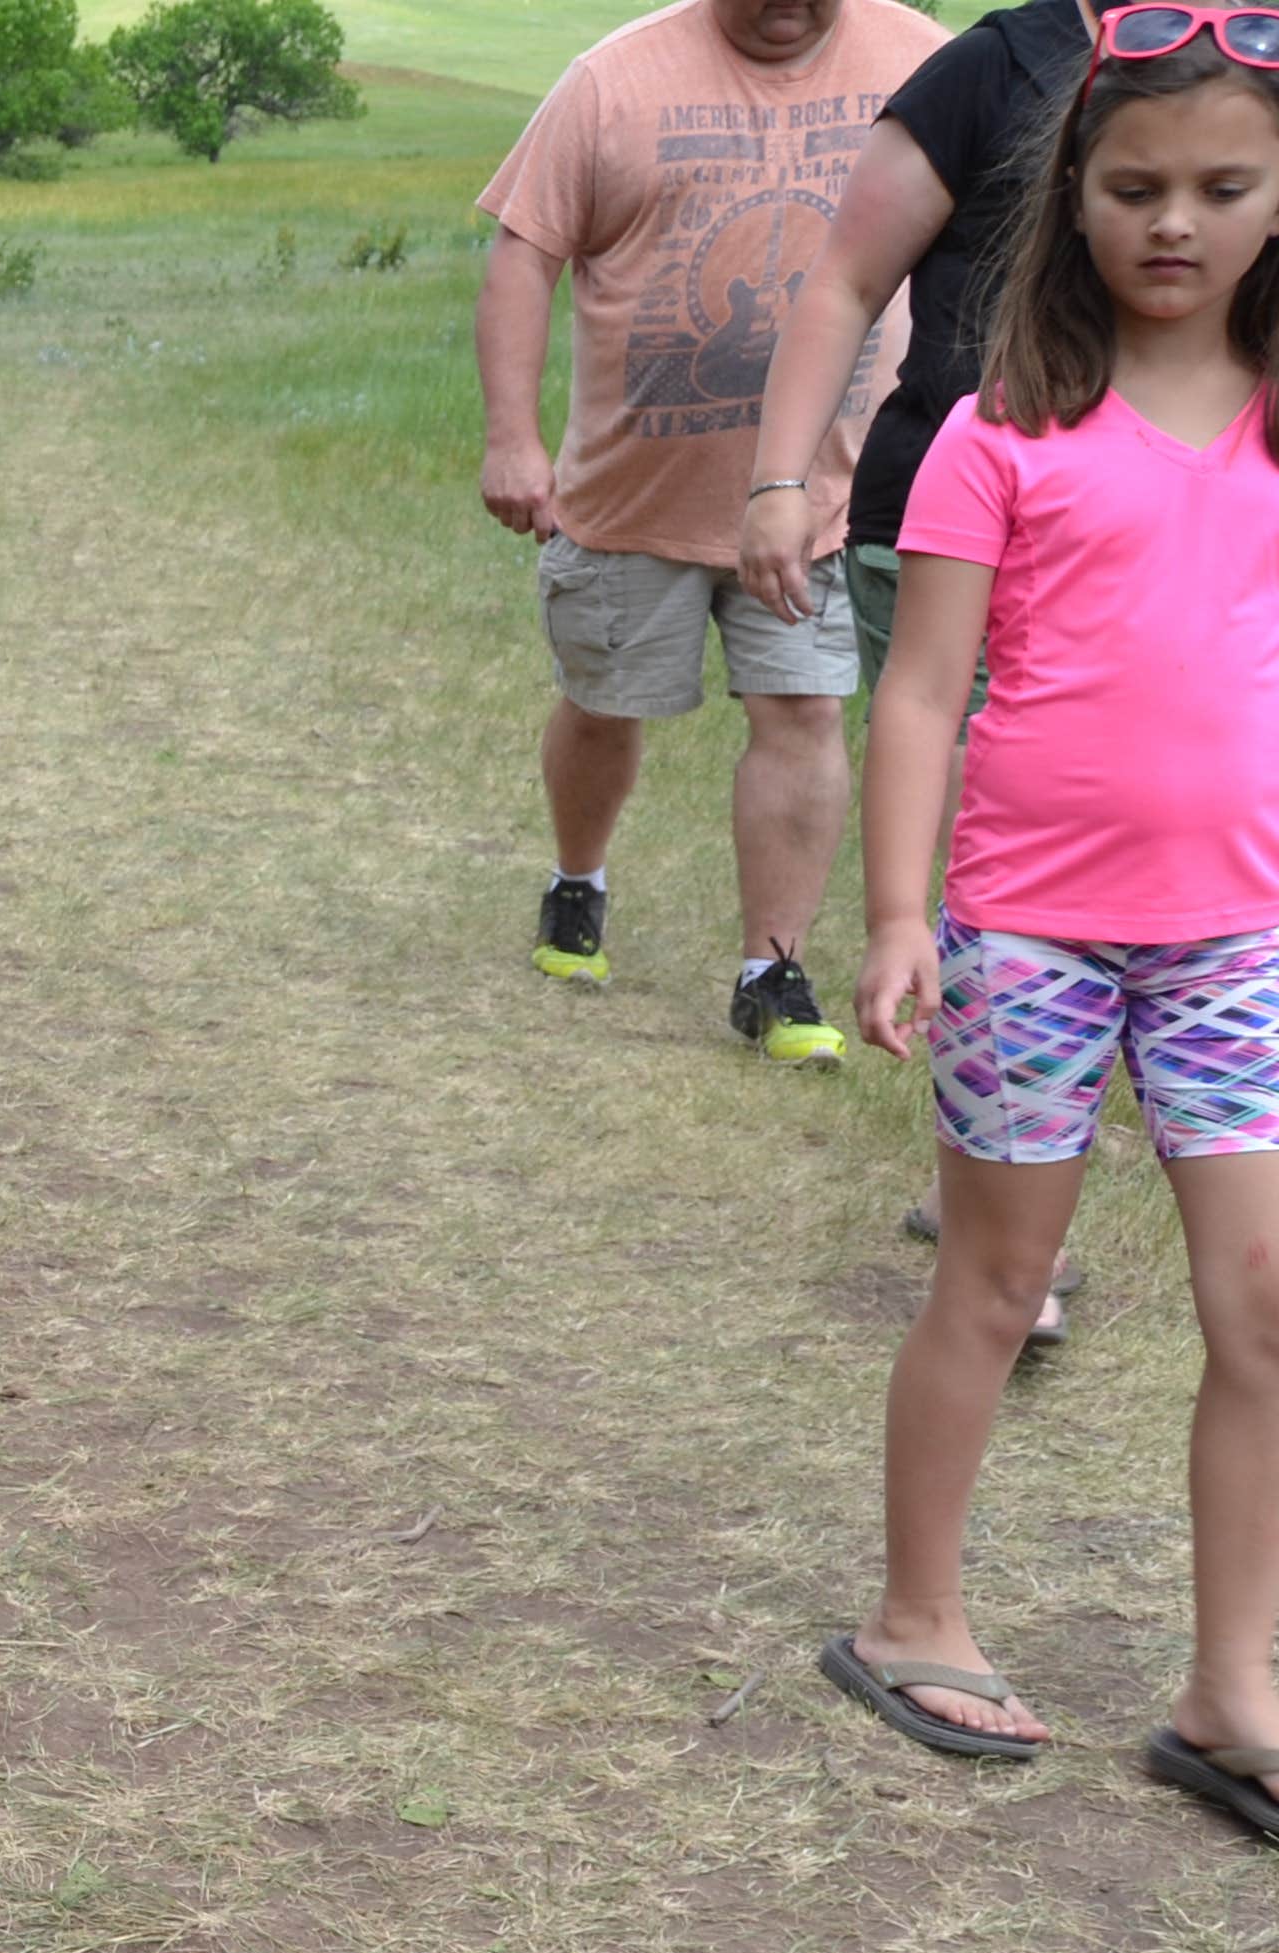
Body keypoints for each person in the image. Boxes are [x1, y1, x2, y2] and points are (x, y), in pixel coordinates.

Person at [830, 8, 1279, 1845]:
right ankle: (911, 1615)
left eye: (1224, 188)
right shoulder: (999, 429)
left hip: (1238, 942)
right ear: (1073, 196)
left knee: (1264, 1305)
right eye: (1136, 186)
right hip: (1026, 937)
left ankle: (1230, 1688)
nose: (1175, 222)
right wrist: (895, 917)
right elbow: (921, 694)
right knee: (998, 1288)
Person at [474, 0, 943, 1059]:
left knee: (805, 715)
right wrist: (512, 438)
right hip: (632, 497)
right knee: (604, 705)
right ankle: (577, 881)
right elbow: (522, 254)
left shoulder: (926, 63)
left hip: (823, 500)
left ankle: (772, 971)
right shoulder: (612, 81)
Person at [739, 0, 1098, 1334]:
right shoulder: (994, 68)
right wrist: (781, 481)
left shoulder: (1246, 62)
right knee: (1006, 854)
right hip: (960, 520)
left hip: (1173, 527)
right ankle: (999, 1221)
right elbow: (844, 279)